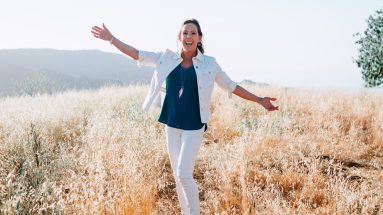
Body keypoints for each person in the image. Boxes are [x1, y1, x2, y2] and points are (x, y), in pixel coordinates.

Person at [91, 19, 278, 215]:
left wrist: (259, 100)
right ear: (179, 37)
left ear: (199, 38)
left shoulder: (209, 64)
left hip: (193, 126)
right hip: (171, 125)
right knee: (178, 175)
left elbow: (232, 86)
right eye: (185, 33)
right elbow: (136, 54)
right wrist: (111, 39)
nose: (188, 36)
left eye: (193, 33)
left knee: (183, 173)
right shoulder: (166, 58)